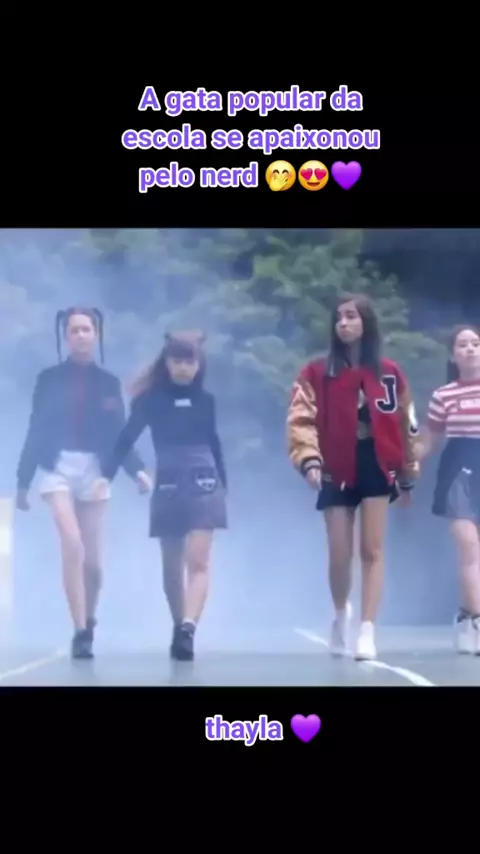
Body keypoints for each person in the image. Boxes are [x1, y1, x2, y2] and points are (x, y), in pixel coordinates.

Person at [287, 293, 420, 661]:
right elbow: (300, 419)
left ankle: (367, 628)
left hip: (376, 461)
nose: (343, 323)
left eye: (351, 316)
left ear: (366, 322)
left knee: (371, 549)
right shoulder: (316, 372)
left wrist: (408, 471)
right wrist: (309, 460)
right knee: (339, 552)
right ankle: (341, 611)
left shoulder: (389, 372)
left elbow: (406, 422)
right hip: (335, 463)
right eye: (339, 317)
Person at [15, 307, 151, 659]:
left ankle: (90, 620)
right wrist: (23, 481)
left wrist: (137, 470)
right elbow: (35, 427)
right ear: (66, 336)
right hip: (57, 466)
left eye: (86, 329)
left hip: (95, 470)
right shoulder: (48, 379)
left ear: (96, 334)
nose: (80, 335)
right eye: (74, 330)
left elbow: (119, 432)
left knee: (93, 564)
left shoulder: (107, 383)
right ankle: (78, 630)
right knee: (72, 544)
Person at [93, 330, 227, 662]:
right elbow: (125, 439)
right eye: (177, 361)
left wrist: (224, 482)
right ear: (166, 362)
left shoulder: (207, 401)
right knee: (171, 565)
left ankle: (188, 629)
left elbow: (214, 441)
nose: (183, 367)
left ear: (199, 365)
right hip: (168, 479)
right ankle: (178, 624)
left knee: (198, 560)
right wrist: (105, 477)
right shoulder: (150, 401)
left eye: (189, 361)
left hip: (205, 481)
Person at [417, 325, 480, 655]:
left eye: (476, 344)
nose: (470, 349)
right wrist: (410, 459)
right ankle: (476, 621)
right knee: (468, 546)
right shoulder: (444, 395)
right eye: (463, 345)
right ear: (453, 356)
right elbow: (428, 439)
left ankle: (467, 615)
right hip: (459, 468)